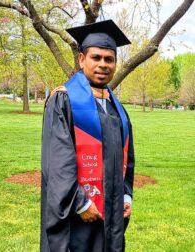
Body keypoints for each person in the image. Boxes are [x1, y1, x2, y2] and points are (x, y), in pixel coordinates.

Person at [40, 20, 135, 252]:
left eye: (109, 59)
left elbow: (127, 160)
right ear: (82, 59)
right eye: (96, 57)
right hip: (77, 215)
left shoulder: (117, 109)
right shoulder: (64, 100)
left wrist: (126, 196)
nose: (103, 64)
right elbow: (57, 162)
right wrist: (80, 203)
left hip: (110, 211)